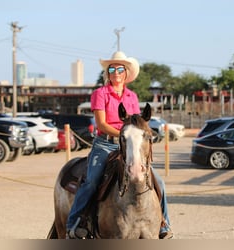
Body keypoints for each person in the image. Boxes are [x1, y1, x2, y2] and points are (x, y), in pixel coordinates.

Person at [66, 51, 173, 239]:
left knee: (159, 182)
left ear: (126, 73)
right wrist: (125, 135)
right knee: (92, 180)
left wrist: (133, 138)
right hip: (105, 144)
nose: (116, 72)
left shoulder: (132, 96)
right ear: (108, 73)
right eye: (112, 68)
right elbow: (101, 124)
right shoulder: (100, 94)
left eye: (120, 69)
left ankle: (164, 224)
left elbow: (136, 123)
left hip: (129, 145)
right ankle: (76, 222)